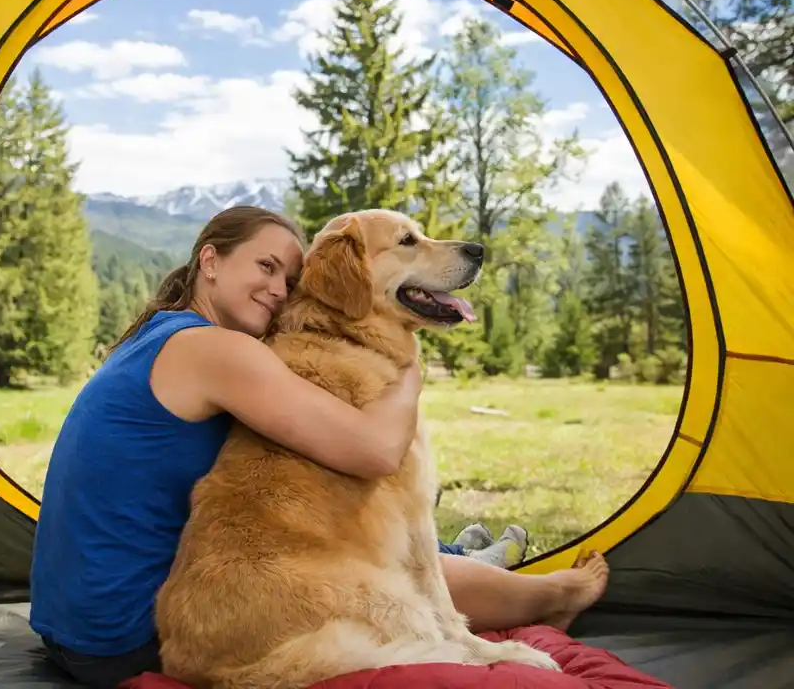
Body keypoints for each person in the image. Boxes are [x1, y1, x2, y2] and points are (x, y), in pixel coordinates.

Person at [30, 206, 608, 688]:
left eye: (289, 277)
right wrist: (408, 378)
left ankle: (500, 570)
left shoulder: (161, 335)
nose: (280, 290)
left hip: (71, 626)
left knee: (369, 554)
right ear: (209, 260)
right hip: (126, 636)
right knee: (385, 570)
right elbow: (378, 451)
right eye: (265, 266)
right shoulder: (215, 351)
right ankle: (536, 592)